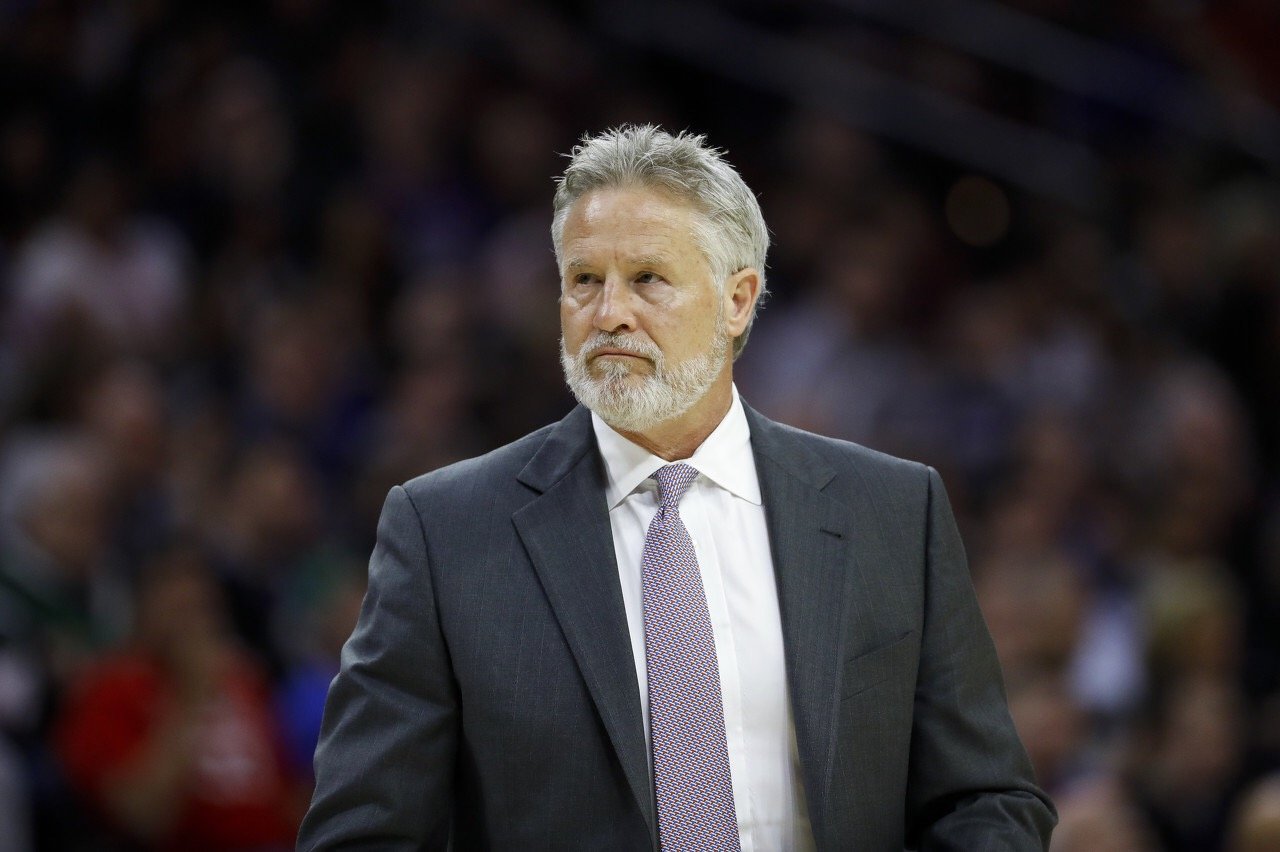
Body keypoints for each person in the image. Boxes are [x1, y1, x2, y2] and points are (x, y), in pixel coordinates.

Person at [298, 125, 1055, 850]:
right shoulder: (445, 532)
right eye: (584, 281)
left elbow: (984, 798)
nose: (609, 314)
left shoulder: (893, 511)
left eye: (648, 279)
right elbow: (362, 832)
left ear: (737, 299)